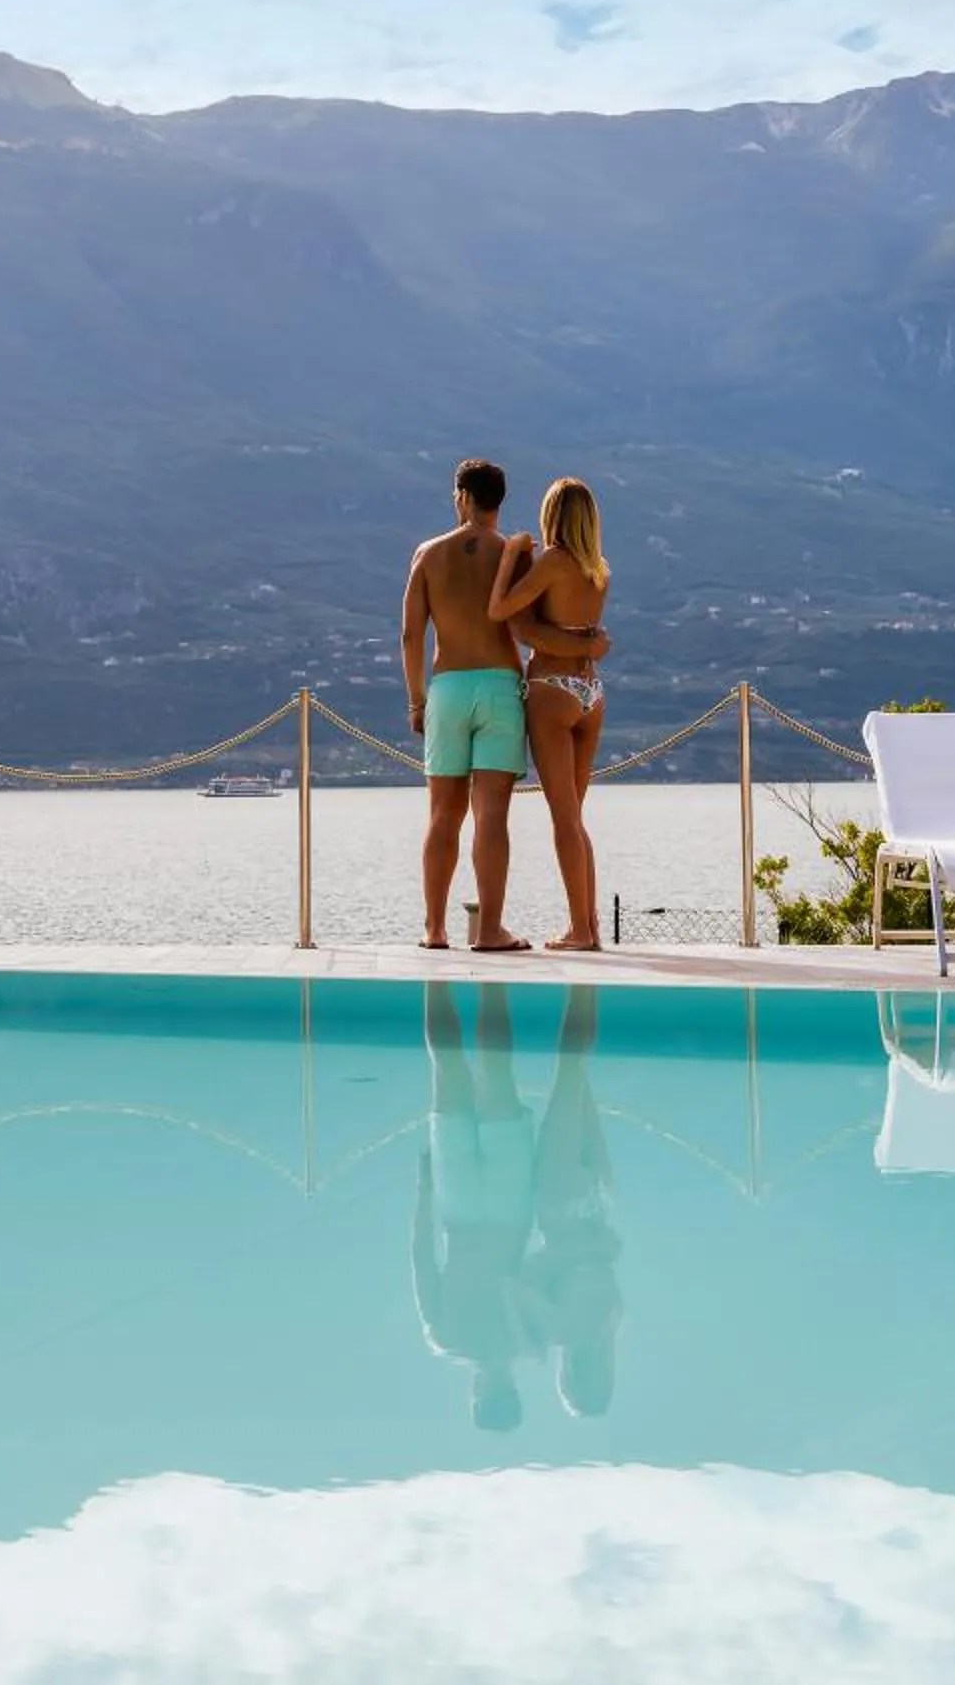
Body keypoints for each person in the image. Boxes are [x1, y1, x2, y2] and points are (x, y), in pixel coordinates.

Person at [401, 459, 606, 951]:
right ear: (500, 501)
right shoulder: (515, 556)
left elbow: (411, 633)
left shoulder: (428, 554)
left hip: (447, 685)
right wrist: (587, 645)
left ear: (463, 497)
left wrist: (416, 700)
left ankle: (434, 929)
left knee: (442, 815)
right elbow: (530, 623)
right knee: (492, 814)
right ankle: (491, 930)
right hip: (501, 686)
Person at [412, 982, 543, 1432]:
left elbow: (422, 1263)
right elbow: (422, 1260)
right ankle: (470, 978)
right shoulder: (525, 1341)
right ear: (478, 1396)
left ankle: (449, 976)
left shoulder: (518, 1342)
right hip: (477, 1206)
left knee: (466, 1071)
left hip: (483, 1207)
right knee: (467, 1070)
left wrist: (425, 1193)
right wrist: (426, 1193)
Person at [488, 476, 611, 952]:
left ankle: (580, 931)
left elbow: (501, 609)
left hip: (552, 690)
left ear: (552, 516)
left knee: (564, 819)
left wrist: (510, 557)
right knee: (575, 819)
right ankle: (590, 924)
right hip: (591, 692)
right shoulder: (599, 569)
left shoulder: (552, 562)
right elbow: (577, 631)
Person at [527, 985, 622, 1418]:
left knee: (578, 1074)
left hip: (598, 1200)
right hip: (560, 1200)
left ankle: (586, 990)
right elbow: (514, 1281)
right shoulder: (557, 1332)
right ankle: (581, 988)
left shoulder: (612, 1326)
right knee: (571, 1072)